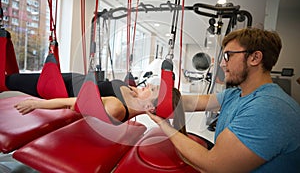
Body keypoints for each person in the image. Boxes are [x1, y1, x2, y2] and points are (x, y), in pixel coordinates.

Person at [148, 27, 300, 172]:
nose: (221, 63)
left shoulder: (269, 108)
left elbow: (213, 166)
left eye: (229, 55)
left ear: (255, 58)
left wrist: (164, 125)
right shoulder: (235, 94)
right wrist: (154, 97)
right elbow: (189, 103)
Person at [9, 72, 185, 128]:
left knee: (9, 81)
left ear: (149, 107)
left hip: (60, 87)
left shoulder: (117, 107)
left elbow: (70, 102)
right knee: (12, 79)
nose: (148, 86)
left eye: (152, 90)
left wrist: (35, 104)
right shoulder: (135, 95)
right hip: (73, 77)